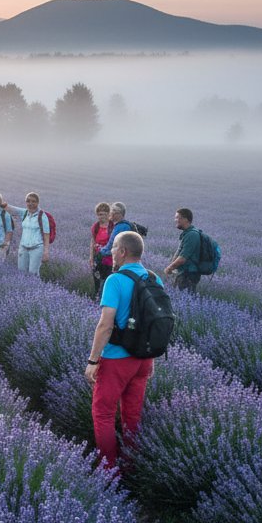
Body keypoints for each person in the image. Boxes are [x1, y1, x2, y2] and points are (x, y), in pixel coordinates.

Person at [85, 231, 162, 472]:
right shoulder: (154, 278)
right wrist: (152, 357)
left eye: (114, 247)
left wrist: (93, 360)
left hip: (118, 358)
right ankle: (130, 464)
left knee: (103, 413)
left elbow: (105, 324)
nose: (111, 251)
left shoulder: (115, 280)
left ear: (123, 251)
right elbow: (156, 322)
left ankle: (108, 470)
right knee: (132, 414)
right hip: (143, 358)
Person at [5, 192, 50, 276]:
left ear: (38, 202)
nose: (31, 204)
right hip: (23, 247)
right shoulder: (24, 213)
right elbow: (10, 208)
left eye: (33, 201)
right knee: (21, 273)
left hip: (36, 248)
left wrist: (46, 251)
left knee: (33, 274)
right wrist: (1, 203)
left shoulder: (42, 216)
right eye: (28, 201)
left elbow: (46, 235)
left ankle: (35, 289)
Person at [165, 207, 202, 292]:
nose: (175, 220)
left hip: (188, 274)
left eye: (178, 218)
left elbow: (182, 258)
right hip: (184, 273)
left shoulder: (192, 235)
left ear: (186, 219)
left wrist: (170, 268)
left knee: (184, 297)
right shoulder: (187, 233)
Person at [90, 201, 113, 298]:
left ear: (108, 214)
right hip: (97, 258)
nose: (101, 217)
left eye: (103, 214)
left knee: (107, 282)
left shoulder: (113, 226)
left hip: (110, 259)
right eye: (99, 214)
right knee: (97, 281)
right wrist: (91, 257)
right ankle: (97, 300)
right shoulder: (95, 226)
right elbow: (92, 242)